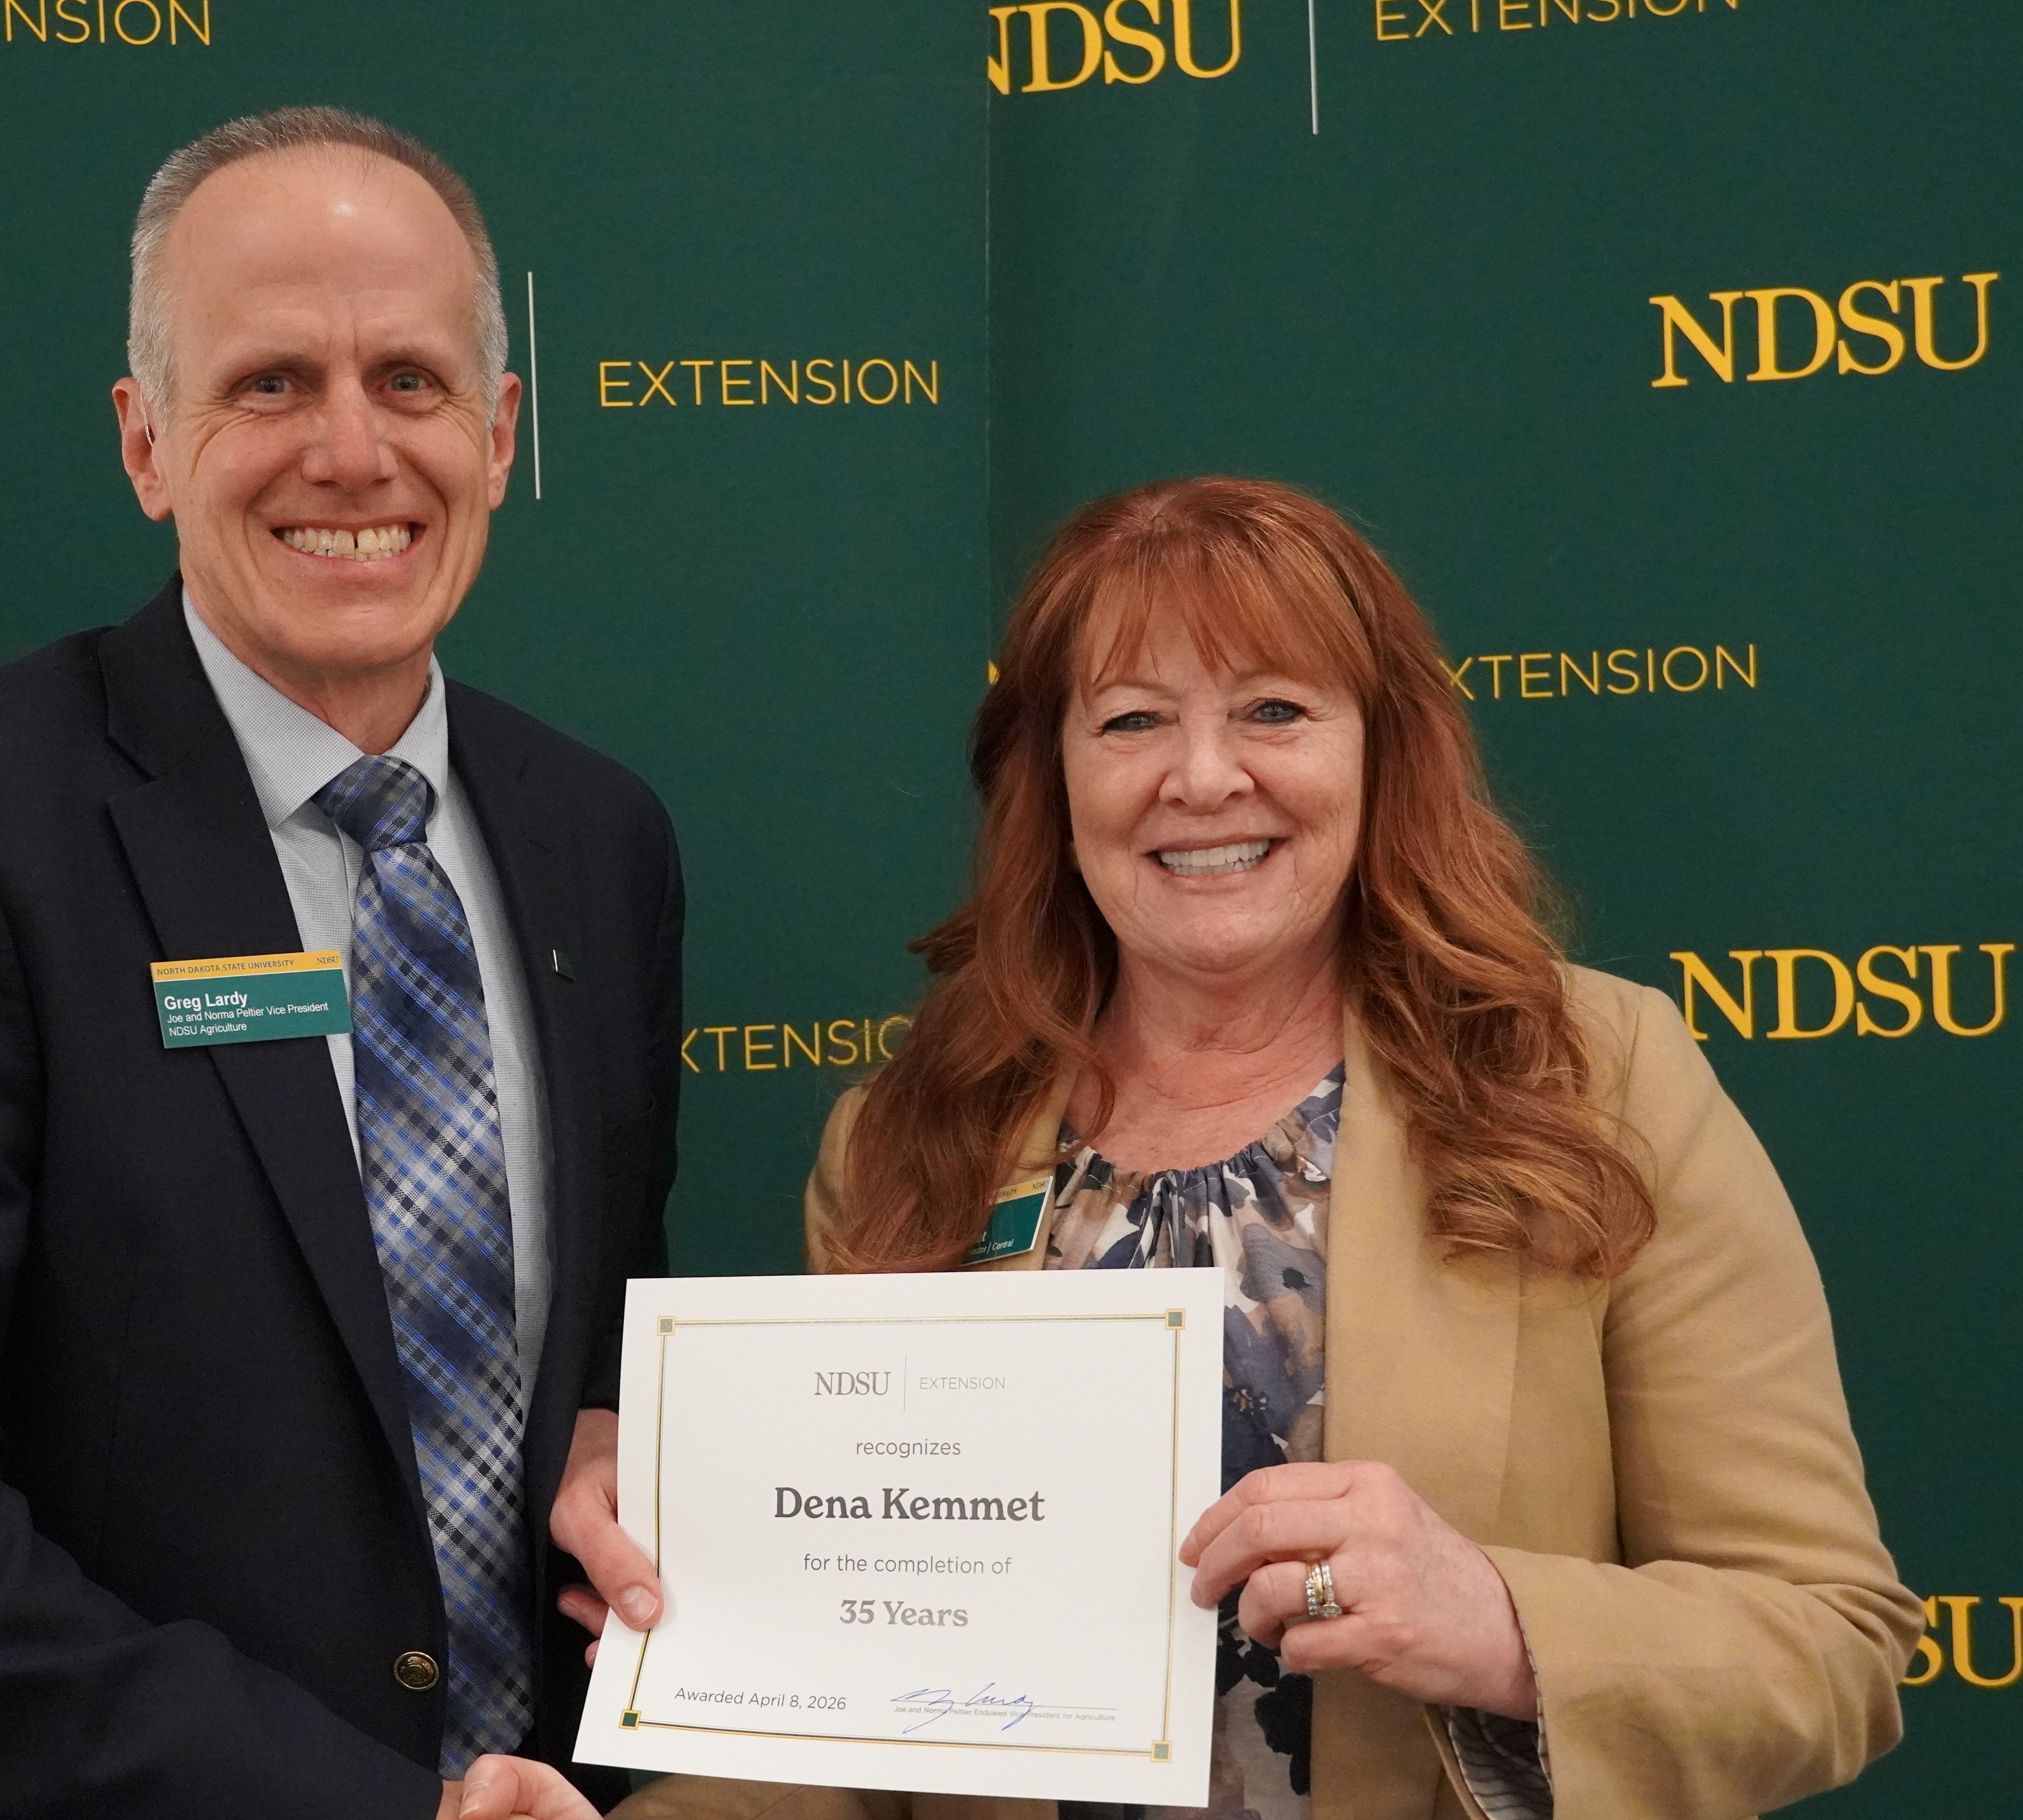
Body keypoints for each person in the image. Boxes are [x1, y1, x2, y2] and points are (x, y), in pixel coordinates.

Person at [617, 478, 1920, 1820]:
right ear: (1051, 784)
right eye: (1131, 721)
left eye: (1274, 710)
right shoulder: (908, 1138)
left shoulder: (1597, 1081)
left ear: (1382, 751)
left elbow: (1831, 1642)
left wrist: (1506, 1624)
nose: (1202, 777)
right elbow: (858, 1732)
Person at [0, 107, 668, 1820]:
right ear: (148, 445)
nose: (354, 453)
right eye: (272, 383)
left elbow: (571, 1369)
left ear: (504, 432)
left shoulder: (599, 834)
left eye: (414, 383)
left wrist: (618, 1446)